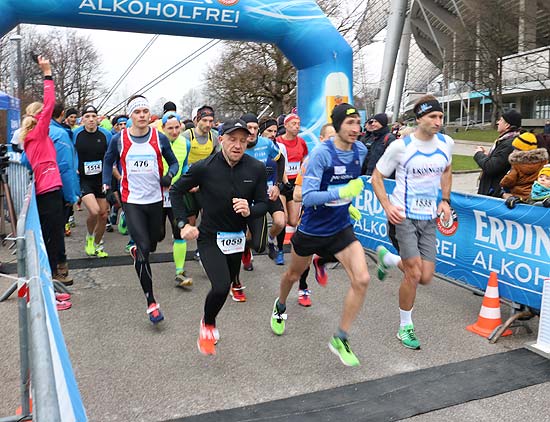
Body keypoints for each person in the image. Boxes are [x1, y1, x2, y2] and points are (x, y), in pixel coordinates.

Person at [270, 104, 370, 367]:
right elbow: (309, 196)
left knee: (362, 279)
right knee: (292, 276)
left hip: (340, 228)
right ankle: (280, 306)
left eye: (358, 123)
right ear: (337, 125)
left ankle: (341, 337)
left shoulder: (360, 150)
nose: (355, 129)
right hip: (312, 229)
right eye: (349, 123)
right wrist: (343, 193)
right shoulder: (321, 154)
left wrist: (350, 206)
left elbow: (348, 186)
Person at [170, 119, 268, 355]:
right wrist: (183, 224)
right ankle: (208, 323)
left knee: (228, 284)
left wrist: (250, 209)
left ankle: (210, 320)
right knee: (221, 285)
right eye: (232, 139)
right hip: (210, 237)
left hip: (237, 238)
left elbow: (264, 203)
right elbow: (176, 190)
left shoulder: (256, 168)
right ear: (221, 139)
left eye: (243, 141)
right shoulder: (205, 167)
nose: (237, 145)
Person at [371, 95, 453, 350]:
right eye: (432, 117)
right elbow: (376, 177)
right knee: (414, 273)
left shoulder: (446, 143)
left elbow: (447, 170)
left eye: (440, 117)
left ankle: (388, 259)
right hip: (403, 216)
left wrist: (445, 200)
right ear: (419, 119)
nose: (438, 121)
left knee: (426, 276)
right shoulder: (401, 146)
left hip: (429, 218)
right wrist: (387, 206)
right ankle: (405, 326)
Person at [103, 95, 179, 324]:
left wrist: (169, 175)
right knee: (144, 247)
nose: (142, 115)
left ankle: (140, 250)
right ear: (131, 116)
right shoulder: (119, 139)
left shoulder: (159, 138)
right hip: (132, 200)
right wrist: (107, 185)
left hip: (156, 199)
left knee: (156, 239)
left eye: (145, 111)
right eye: (137, 112)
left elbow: (173, 162)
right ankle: (151, 302)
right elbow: (108, 162)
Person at [19, 56, 72, 311]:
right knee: (52, 240)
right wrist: (48, 73)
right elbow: (50, 103)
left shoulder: (30, 139)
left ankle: (50, 289)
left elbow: (28, 163)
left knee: (51, 239)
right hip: (49, 191)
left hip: (48, 189)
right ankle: (49, 296)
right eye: (45, 115)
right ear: (40, 117)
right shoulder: (38, 134)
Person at [231, 113, 285, 301]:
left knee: (267, 236)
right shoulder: (238, 146)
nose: (252, 132)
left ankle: (268, 241)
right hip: (243, 196)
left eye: (255, 128)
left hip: (265, 193)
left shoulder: (267, 144)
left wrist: (278, 185)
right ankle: (240, 264)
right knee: (242, 236)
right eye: (249, 128)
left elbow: (280, 160)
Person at [158, 112, 192, 287]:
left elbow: (185, 164)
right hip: (155, 192)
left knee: (179, 229)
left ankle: (180, 271)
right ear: (163, 128)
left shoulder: (185, 143)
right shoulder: (155, 142)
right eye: (170, 128)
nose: (174, 131)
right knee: (158, 235)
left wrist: (181, 182)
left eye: (177, 127)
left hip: (175, 193)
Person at [73, 104, 113, 257]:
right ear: (82, 119)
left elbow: (110, 156)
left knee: (103, 215)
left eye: (93, 116)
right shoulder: (76, 134)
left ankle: (97, 245)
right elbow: (70, 151)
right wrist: (73, 167)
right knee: (94, 211)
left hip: (100, 179)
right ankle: (89, 237)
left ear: (98, 118)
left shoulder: (106, 134)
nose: (90, 120)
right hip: (84, 180)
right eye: (87, 117)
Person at [49, 102, 79, 284]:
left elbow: (25, 160)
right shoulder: (60, 134)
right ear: (62, 114)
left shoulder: (38, 131)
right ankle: (59, 270)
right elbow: (66, 168)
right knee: (56, 231)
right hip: (56, 190)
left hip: (40, 188)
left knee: (51, 232)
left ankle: (56, 269)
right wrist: (71, 195)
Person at [275, 113, 308, 265]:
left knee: (294, 221)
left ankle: (297, 244)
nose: (296, 126)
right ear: (286, 125)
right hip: (281, 182)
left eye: (298, 123)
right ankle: (279, 249)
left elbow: (304, 161)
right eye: (293, 123)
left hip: (295, 183)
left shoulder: (301, 142)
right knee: (284, 219)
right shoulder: (277, 142)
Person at [474, 110, 520, 197]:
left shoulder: (510, 144)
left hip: (494, 193)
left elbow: (491, 167)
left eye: (501, 120)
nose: (497, 122)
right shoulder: (504, 141)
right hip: (492, 190)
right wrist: (487, 155)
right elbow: (499, 161)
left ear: (507, 125)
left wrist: (478, 154)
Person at [500, 132, 548, 204]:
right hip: (536, 196)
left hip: (518, 197)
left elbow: (507, 182)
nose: (513, 151)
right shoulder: (543, 162)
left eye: (515, 149)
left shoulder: (517, 165)